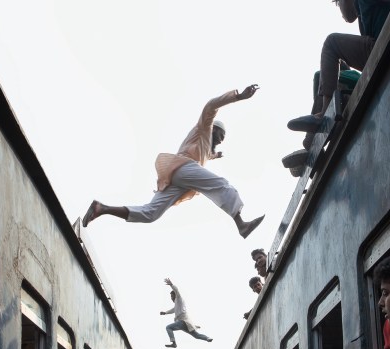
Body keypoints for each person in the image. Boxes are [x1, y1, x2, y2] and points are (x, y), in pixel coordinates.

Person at [83, 85, 265, 239]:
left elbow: (204, 155)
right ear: (213, 129)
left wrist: (215, 156)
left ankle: (101, 208)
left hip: (180, 179)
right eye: (221, 135)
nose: (221, 140)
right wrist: (239, 96)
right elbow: (210, 106)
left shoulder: (203, 148)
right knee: (222, 185)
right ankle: (241, 225)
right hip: (183, 169)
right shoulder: (204, 128)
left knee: (150, 214)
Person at [287, 0, 390, 139]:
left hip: (384, 41)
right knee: (323, 74)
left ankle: (325, 114)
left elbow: (348, 15)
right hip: (376, 47)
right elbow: (348, 15)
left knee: (331, 43)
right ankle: (311, 140)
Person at [160, 278, 213, 348]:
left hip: (182, 322)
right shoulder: (177, 305)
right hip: (185, 325)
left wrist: (171, 285)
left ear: (175, 296)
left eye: (172, 296)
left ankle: (174, 343)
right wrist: (165, 313)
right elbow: (173, 310)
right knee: (196, 335)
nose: (171, 298)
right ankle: (207, 338)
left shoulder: (179, 299)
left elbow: (177, 291)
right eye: (171, 297)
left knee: (168, 327)